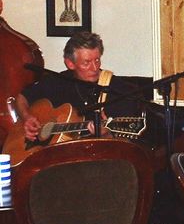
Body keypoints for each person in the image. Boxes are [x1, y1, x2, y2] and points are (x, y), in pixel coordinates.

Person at [15, 31, 143, 141]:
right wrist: (27, 117)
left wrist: (107, 134)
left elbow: (127, 143)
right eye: (86, 62)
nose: (94, 68)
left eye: (97, 60)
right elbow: (22, 98)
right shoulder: (57, 81)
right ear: (70, 64)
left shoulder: (121, 91)